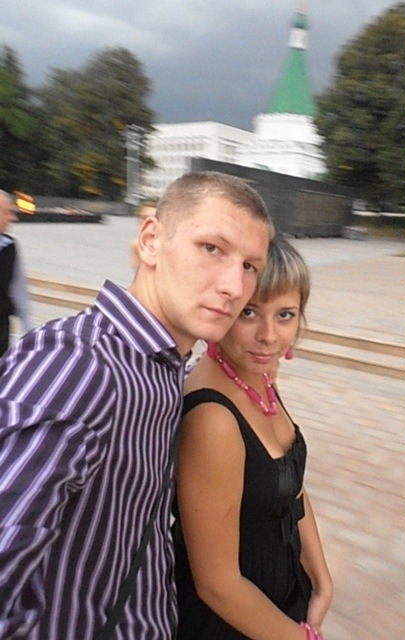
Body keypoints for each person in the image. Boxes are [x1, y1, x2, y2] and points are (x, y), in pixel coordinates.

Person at [0, 171, 273, 640]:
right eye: (211, 248)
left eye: (250, 266)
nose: (234, 285)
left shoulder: (163, 367)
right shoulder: (79, 367)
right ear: (150, 242)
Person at [173, 234, 333, 640]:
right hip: (229, 623)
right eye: (249, 312)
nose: (269, 336)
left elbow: (292, 486)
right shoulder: (213, 418)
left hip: (281, 600)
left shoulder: (257, 377)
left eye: (285, 315)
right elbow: (217, 585)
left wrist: (322, 579)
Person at [0, 190, 32, 356]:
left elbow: (19, 289)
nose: (13, 218)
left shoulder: (9, 246)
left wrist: (29, 330)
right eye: (7, 212)